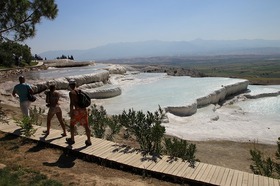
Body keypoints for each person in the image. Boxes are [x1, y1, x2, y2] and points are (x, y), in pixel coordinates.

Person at [66, 79, 92, 146]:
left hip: (77, 111)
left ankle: (72, 140)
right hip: (84, 110)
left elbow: (71, 103)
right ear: (75, 84)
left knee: (72, 125)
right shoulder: (80, 91)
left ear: (70, 85)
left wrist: (71, 112)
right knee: (86, 126)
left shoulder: (71, 93)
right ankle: (89, 141)